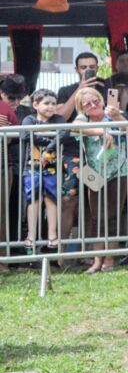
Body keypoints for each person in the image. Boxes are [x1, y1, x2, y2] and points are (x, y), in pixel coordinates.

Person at [74, 86, 128, 274]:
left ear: (102, 99)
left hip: (119, 170)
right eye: (87, 104)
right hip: (92, 171)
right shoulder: (83, 118)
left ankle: (110, 259)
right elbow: (76, 127)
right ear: (82, 107)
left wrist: (117, 117)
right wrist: (102, 131)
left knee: (113, 217)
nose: (93, 105)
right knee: (98, 218)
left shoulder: (113, 114)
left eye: (95, 101)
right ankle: (97, 261)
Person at [20, 89, 68, 251]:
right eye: (46, 103)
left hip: (53, 167)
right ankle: (31, 235)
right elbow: (27, 135)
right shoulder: (29, 119)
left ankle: (52, 235)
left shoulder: (59, 119)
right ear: (35, 105)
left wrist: (49, 150)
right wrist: (49, 141)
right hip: (32, 165)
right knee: (33, 198)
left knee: (51, 198)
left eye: (53, 103)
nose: (51, 107)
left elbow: (63, 133)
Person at [56, 52, 102, 121]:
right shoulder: (64, 91)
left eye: (92, 67)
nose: (88, 70)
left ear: (97, 68)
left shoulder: (106, 88)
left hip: (101, 129)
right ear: (77, 70)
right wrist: (79, 89)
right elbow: (60, 118)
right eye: (83, 67)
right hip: (73, 130)